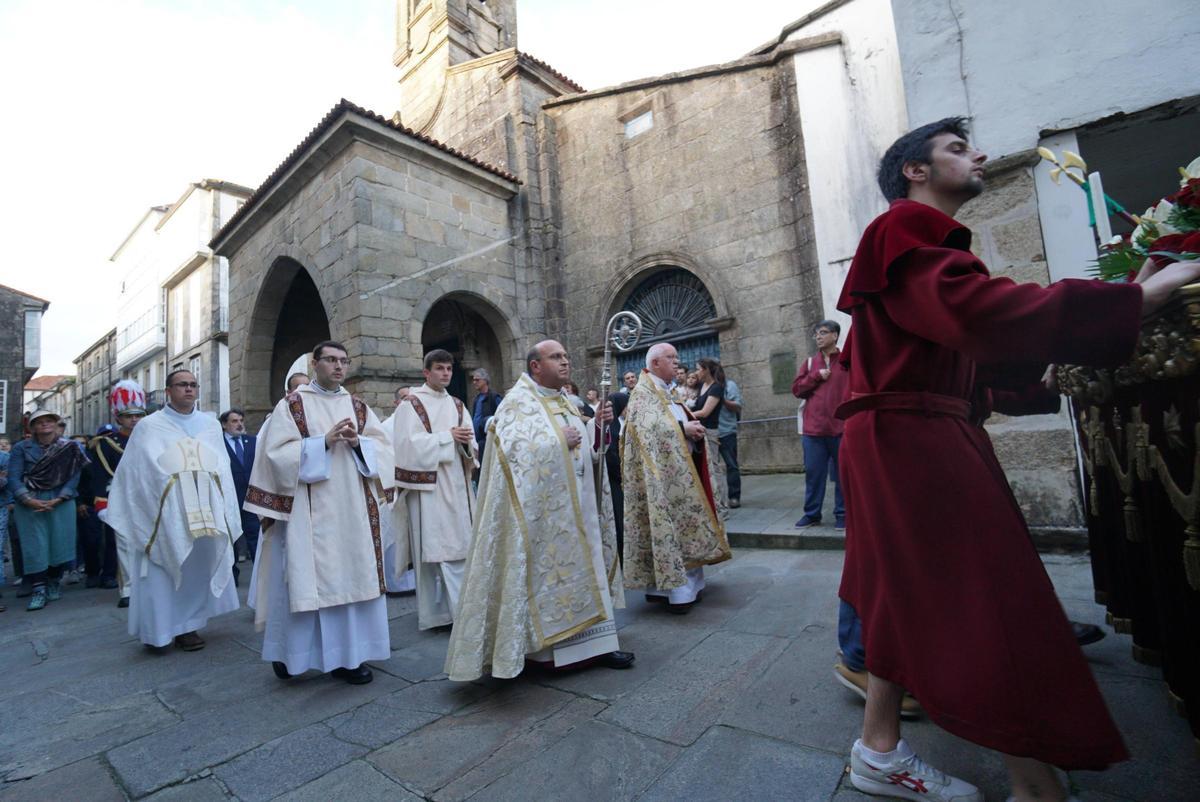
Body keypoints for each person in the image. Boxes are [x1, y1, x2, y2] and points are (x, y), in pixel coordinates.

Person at [835, 117, 1200, 802]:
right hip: (911, 437)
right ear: (915, 170)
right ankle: (1035, 786)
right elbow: (982, 316)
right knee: (988, 598)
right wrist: (1138, 298)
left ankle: (877, 749)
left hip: (906, 433)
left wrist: (1122, 305)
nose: (976, 155)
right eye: (955, 148)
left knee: (901, 592)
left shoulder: (915, 243)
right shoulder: (901, 229)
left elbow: (976, 359)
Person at [445, 340, 633, 679]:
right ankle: (548, 656)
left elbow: (587, 451)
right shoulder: (518, 403)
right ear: (535, 365)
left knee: (589, 563)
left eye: (566, 356)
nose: (565, 362)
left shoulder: (565, 400)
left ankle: (599, 646)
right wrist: (558, 440)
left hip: (581, 509)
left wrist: (598, 430)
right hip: (543, 518)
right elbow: (514, 452)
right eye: (556, 357)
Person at [245, 341, 393, 684]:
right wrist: (321, 443)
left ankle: (350, 657)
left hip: (354, 513)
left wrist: (360, 445)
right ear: (315, 364)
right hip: (308, 516)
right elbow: (275, 455)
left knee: (354, 579)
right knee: (303, 583)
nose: (338, 367)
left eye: (343, 361)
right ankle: (291, 656)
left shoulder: (358, 407)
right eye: (330, 360)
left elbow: (384, 449)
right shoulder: (293, 405)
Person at [105, 370, 240, 650]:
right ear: (168, 391)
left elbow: (222, 466)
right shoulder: (149, 426)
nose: (189, 390)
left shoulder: (210, 424)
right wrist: (175, 480)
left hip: (204, 507)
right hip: (165, 511)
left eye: (193, 385)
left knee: (194, 567)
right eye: (182, 385)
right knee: (161, 571)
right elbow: (138, 472)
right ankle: (158, 629)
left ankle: (187, 626)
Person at [623, 343, 731, 613]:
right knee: (669, 528)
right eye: (670, 358)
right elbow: (644, 429)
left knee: (684, 527)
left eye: (676, 357)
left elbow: (672, 419)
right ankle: (675, 593)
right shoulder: (643, 393)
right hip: (663, 480)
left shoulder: (667, 391)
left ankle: (680, 588)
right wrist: (684, 427)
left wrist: (690, 426)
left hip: (681, 471)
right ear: (656, 363)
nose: (677, 362)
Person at [393, 350, 477, 629]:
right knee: (434, 553)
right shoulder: (411, 404)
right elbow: (406, 446)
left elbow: (472, 444)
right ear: (426, 372)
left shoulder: (457, 404)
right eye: (439, 368)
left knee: (461, 549)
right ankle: (437, 615)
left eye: (449, 369)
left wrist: (466, 444)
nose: (446, 374)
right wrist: (446, 438)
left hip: (456, 483)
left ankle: (462, 612)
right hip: (428, 488)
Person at [7, 410, 87, 611]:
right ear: (32, 427)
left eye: (49, 421)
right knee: (35, 544)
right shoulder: (20, 448)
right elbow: (14, 477)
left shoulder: (70, 447)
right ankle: (38, 588)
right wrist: (27, 498)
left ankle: (53, 581)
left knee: (59, 542)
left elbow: (74, 476)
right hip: (30, 501)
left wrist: (61, 498)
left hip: (61, 499)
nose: (44, 425)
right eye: (39, 422)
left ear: (56, 423)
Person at [792, 320, 849, 530]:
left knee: (843, 475)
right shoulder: (809, 364)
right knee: (813, 474)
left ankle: (842, 514)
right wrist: (815, 376)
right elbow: (797, 389)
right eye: (816, 333)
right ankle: (812, 513)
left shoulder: (846, 361)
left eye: (823, 333)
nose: (818, 337)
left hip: (841, 429)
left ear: (835, 336)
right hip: (813, 430)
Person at [379, 385, 416, 594]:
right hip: (395, 489)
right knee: (395, 536)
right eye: (404, 398)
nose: (409, 402)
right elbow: (383, 459)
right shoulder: (386, 427)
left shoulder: (420, 424)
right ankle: (396, 582)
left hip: (416, 488)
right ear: (395, 403)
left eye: (412, 399)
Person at [688, 358, 728, 521]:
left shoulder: (716, 388)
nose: (696, 372)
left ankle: (723, 506)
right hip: (698, 431)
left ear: (706, 370)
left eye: (698, 369)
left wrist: (684, 414)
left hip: (710, 432)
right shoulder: (700, 387)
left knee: (715, 468)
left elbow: (705, 412)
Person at [220, 408, 260, 566]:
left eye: (241, 421)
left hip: (251, 499)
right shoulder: (219, 444)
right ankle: (233, 576)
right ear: (224, 424)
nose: (239, 424)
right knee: (232, 539)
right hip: (229, 500)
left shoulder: (252, 442)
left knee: (255, 536)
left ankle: (259, 576)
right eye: (234, 421)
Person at [604, 391, 629, 563]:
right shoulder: (611, 428)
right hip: (615, 481)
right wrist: (623, 477)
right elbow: (611, 455)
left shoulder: (619, 424)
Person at [717, 372, 743, 509]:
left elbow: (738, 406)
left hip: (726, 432)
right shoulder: (702, 386)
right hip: (709, 433)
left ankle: (734, 496)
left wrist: (723, 400)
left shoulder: (729, 385)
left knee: (731, 465)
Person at [470, 369, 502, 464]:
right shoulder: (477, 399)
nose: (474, 382)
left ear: (485, 381)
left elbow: (501, 417)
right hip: (477, 440)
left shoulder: (494, 397)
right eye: (474, 380)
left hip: (488, 440)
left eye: (477, 380)